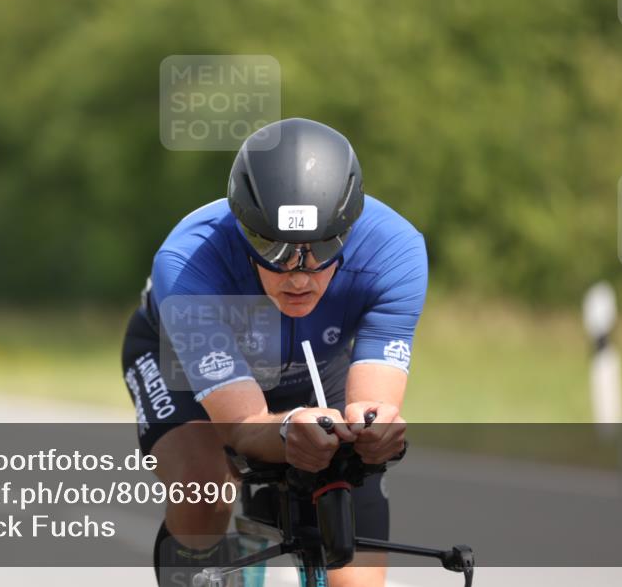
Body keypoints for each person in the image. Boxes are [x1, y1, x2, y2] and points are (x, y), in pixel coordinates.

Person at [121, 118, 427, 587]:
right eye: (272, 246)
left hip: (316, 364)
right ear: (243, 225)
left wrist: (375, 428)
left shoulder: (395, 250)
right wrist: (286, 428)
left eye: (321, 246)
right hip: (181, 360)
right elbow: (241, 428)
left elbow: (374, 402)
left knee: (355, 568)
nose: (298, 275)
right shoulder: (188, 262)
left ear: (350, 226)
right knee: (206, 485)